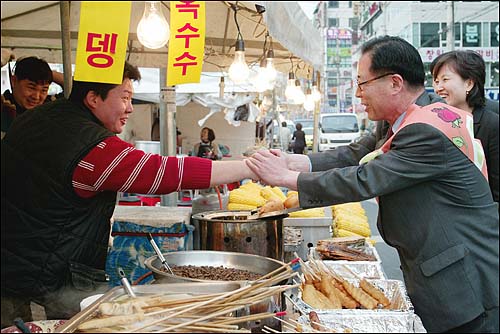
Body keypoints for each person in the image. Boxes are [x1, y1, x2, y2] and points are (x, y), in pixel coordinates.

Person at [247, 36, 499, 333]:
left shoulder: (427, 128)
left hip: (465, 284)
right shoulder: (405, 117)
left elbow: (368, 177)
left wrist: (289, 179)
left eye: (362, 83)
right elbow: (357, 153)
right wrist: (297, 163)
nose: (357, 93)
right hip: (439, 272)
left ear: (395, 83)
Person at [1, 61, 257, 327]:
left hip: (13, 260)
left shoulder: (35, 117)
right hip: (44, 273)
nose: (130, 108)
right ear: (93, 99)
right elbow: (163, 173)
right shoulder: (94, 147)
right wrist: (249, 168)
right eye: (124, 98)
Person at [430, 50, 499, 203]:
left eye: (445, 79)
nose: (438, 88)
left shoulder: (492, 124)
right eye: (435, 81)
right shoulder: (433, 119)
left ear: (469, 83)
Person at [1, 56, 64, 139]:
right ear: (14, 81)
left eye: (44, 90)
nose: (36, 97)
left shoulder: (50, 106)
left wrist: (47, 73)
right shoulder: (3, 105)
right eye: (31, 87)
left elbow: (76, 89)